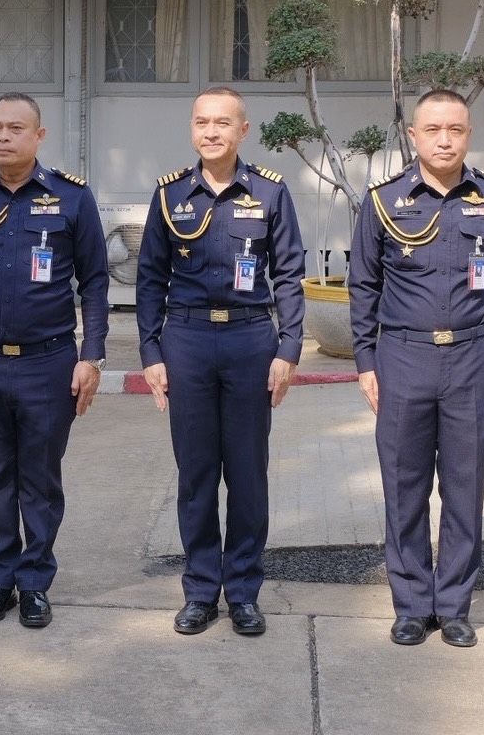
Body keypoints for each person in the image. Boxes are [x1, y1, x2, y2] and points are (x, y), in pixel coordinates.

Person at [348, 89, 484, 649]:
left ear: (468, 134)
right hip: (403, 357)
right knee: (404, 486)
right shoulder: (383, 201)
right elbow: (363, 285)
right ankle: (411, 605)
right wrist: (366, 360)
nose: (444, 140)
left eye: (455, 129)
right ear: (414, 135)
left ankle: (453, 607)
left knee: (465, 488)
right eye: (433, 129)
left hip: (474, 357)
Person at [0, 92, 108, 629]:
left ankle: (34, 583)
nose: (4, 137)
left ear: (39, 135)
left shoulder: (71, 197)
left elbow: (95, 282)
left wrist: (92, 355)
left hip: (48, 363)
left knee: (40, 477)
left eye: (16, 128)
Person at [135, 87, 305, 638]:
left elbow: (289, 275)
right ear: (192, 129)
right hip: (185, 339)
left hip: (250, 340)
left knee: (248, 473)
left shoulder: (270, 193)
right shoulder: (170, 195)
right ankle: (201, 591)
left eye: (223, 122)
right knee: (197, 473)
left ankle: (245, 593)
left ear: (242, 130)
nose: (211, 132)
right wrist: (151, 352)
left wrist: (288, 349)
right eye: (202, 122)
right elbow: (149, 278)